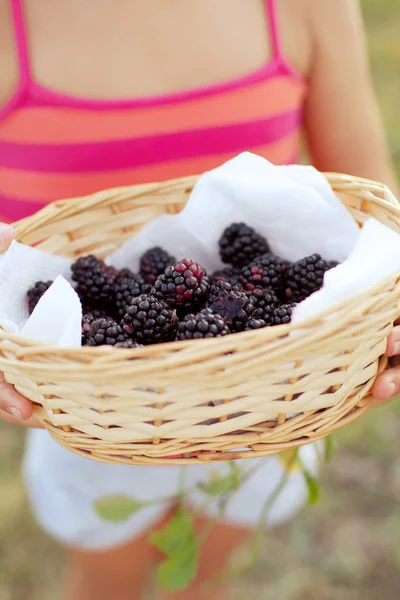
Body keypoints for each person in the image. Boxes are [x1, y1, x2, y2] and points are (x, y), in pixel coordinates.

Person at [0, 0, 399, 598]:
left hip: (272, 393)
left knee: (207, 573)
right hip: (96, 405)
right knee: (106, 578)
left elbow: (375, 208)